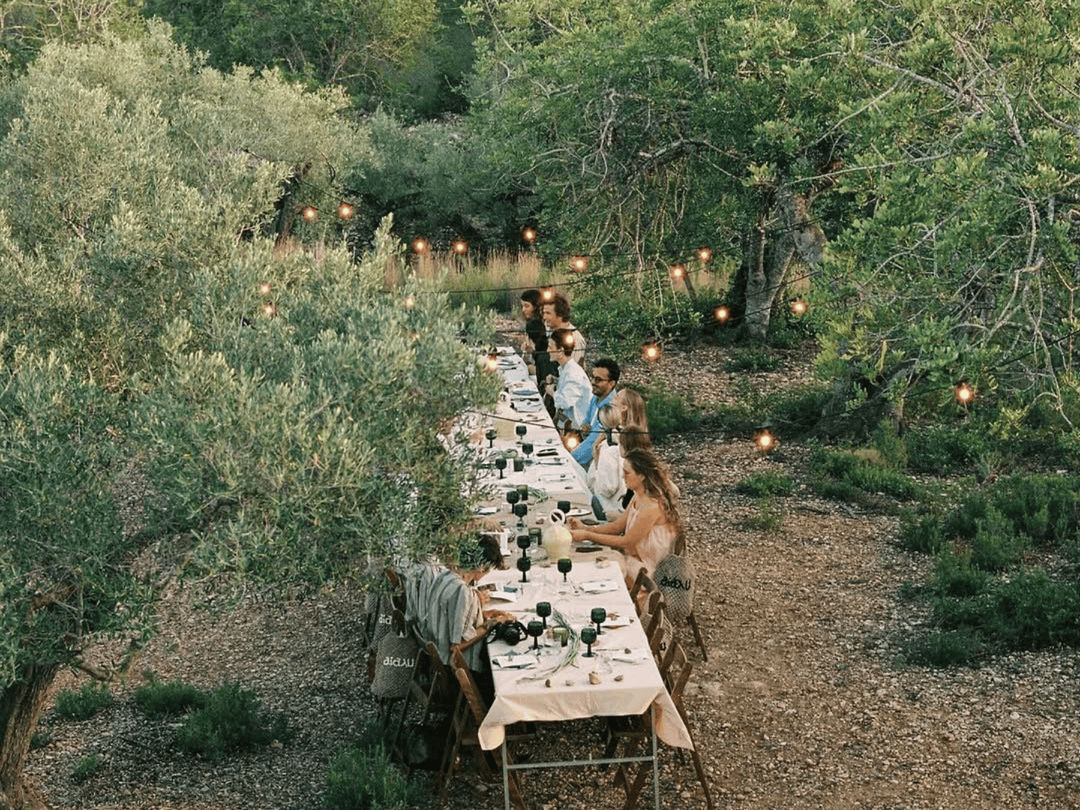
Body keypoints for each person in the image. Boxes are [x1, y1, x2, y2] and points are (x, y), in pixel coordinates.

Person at [402, 529, 514, 670]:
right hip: (457, 665)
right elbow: (457, 645)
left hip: (436, 650)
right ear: (482, 567)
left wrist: (485, 614)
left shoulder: (444, 576)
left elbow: (453, 618)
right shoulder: (462, 591)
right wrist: (492, 623)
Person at [568, 447, 682, 584]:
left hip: (646, 570)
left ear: (642, 476)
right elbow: (617, 527)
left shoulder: (652, 506)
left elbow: (626, 542)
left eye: (627, 472)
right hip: (632, 557)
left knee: (588, 570)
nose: (622, 476)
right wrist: (586, 528)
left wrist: (588, 535)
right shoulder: (638, 495)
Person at [571, 358, 620, 469]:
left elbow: (592, 443)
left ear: (611, 383)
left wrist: (570, 458)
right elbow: (586, 422)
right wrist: (584, 428)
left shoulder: (610, 409)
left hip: (600, 463)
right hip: (587, 454)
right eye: (592, 377)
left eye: (598, 380)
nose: (593, 382)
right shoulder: (596, 397)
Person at [544, 328, 592, 432]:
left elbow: (565, 402)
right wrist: (556, 380)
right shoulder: (566, 369)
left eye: (550, 347)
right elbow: (568, 387)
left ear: (560, 351)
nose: (547, 350)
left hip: (578, 428)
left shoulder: (573, 374)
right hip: (567, 422)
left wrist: (551, 392)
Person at [585, 402, 626, 521]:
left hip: (613, 509)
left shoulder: (607, 450)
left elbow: (607, 488)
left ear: (601, 426)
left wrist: (596, 459)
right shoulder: (626, 442)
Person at [541, 292, 585, 366]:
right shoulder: (549, 330)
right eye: (544, 313)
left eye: (548, 313)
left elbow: (573, 367)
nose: (544, 317)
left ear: (560, 315)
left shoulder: (576, 338)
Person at [519, 289, 550, 380]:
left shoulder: (544, 328)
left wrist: (530, 367)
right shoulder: (531, 324)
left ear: (536, 307)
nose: (523, 310)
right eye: (522, 306)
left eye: (527, 306)